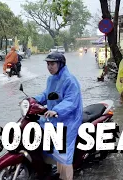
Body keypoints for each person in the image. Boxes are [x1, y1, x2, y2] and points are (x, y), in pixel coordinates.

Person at [34, 52, 83, 180]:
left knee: (64, 151)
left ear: (60, 64)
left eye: (52, 64)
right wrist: (33, 100)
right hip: (54, 119)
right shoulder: (51, 79)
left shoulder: (69, 80)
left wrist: (56, 110)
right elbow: (47, 94)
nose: (50, 67)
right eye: (48, 64)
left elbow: (71, 101)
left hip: (69, 120)